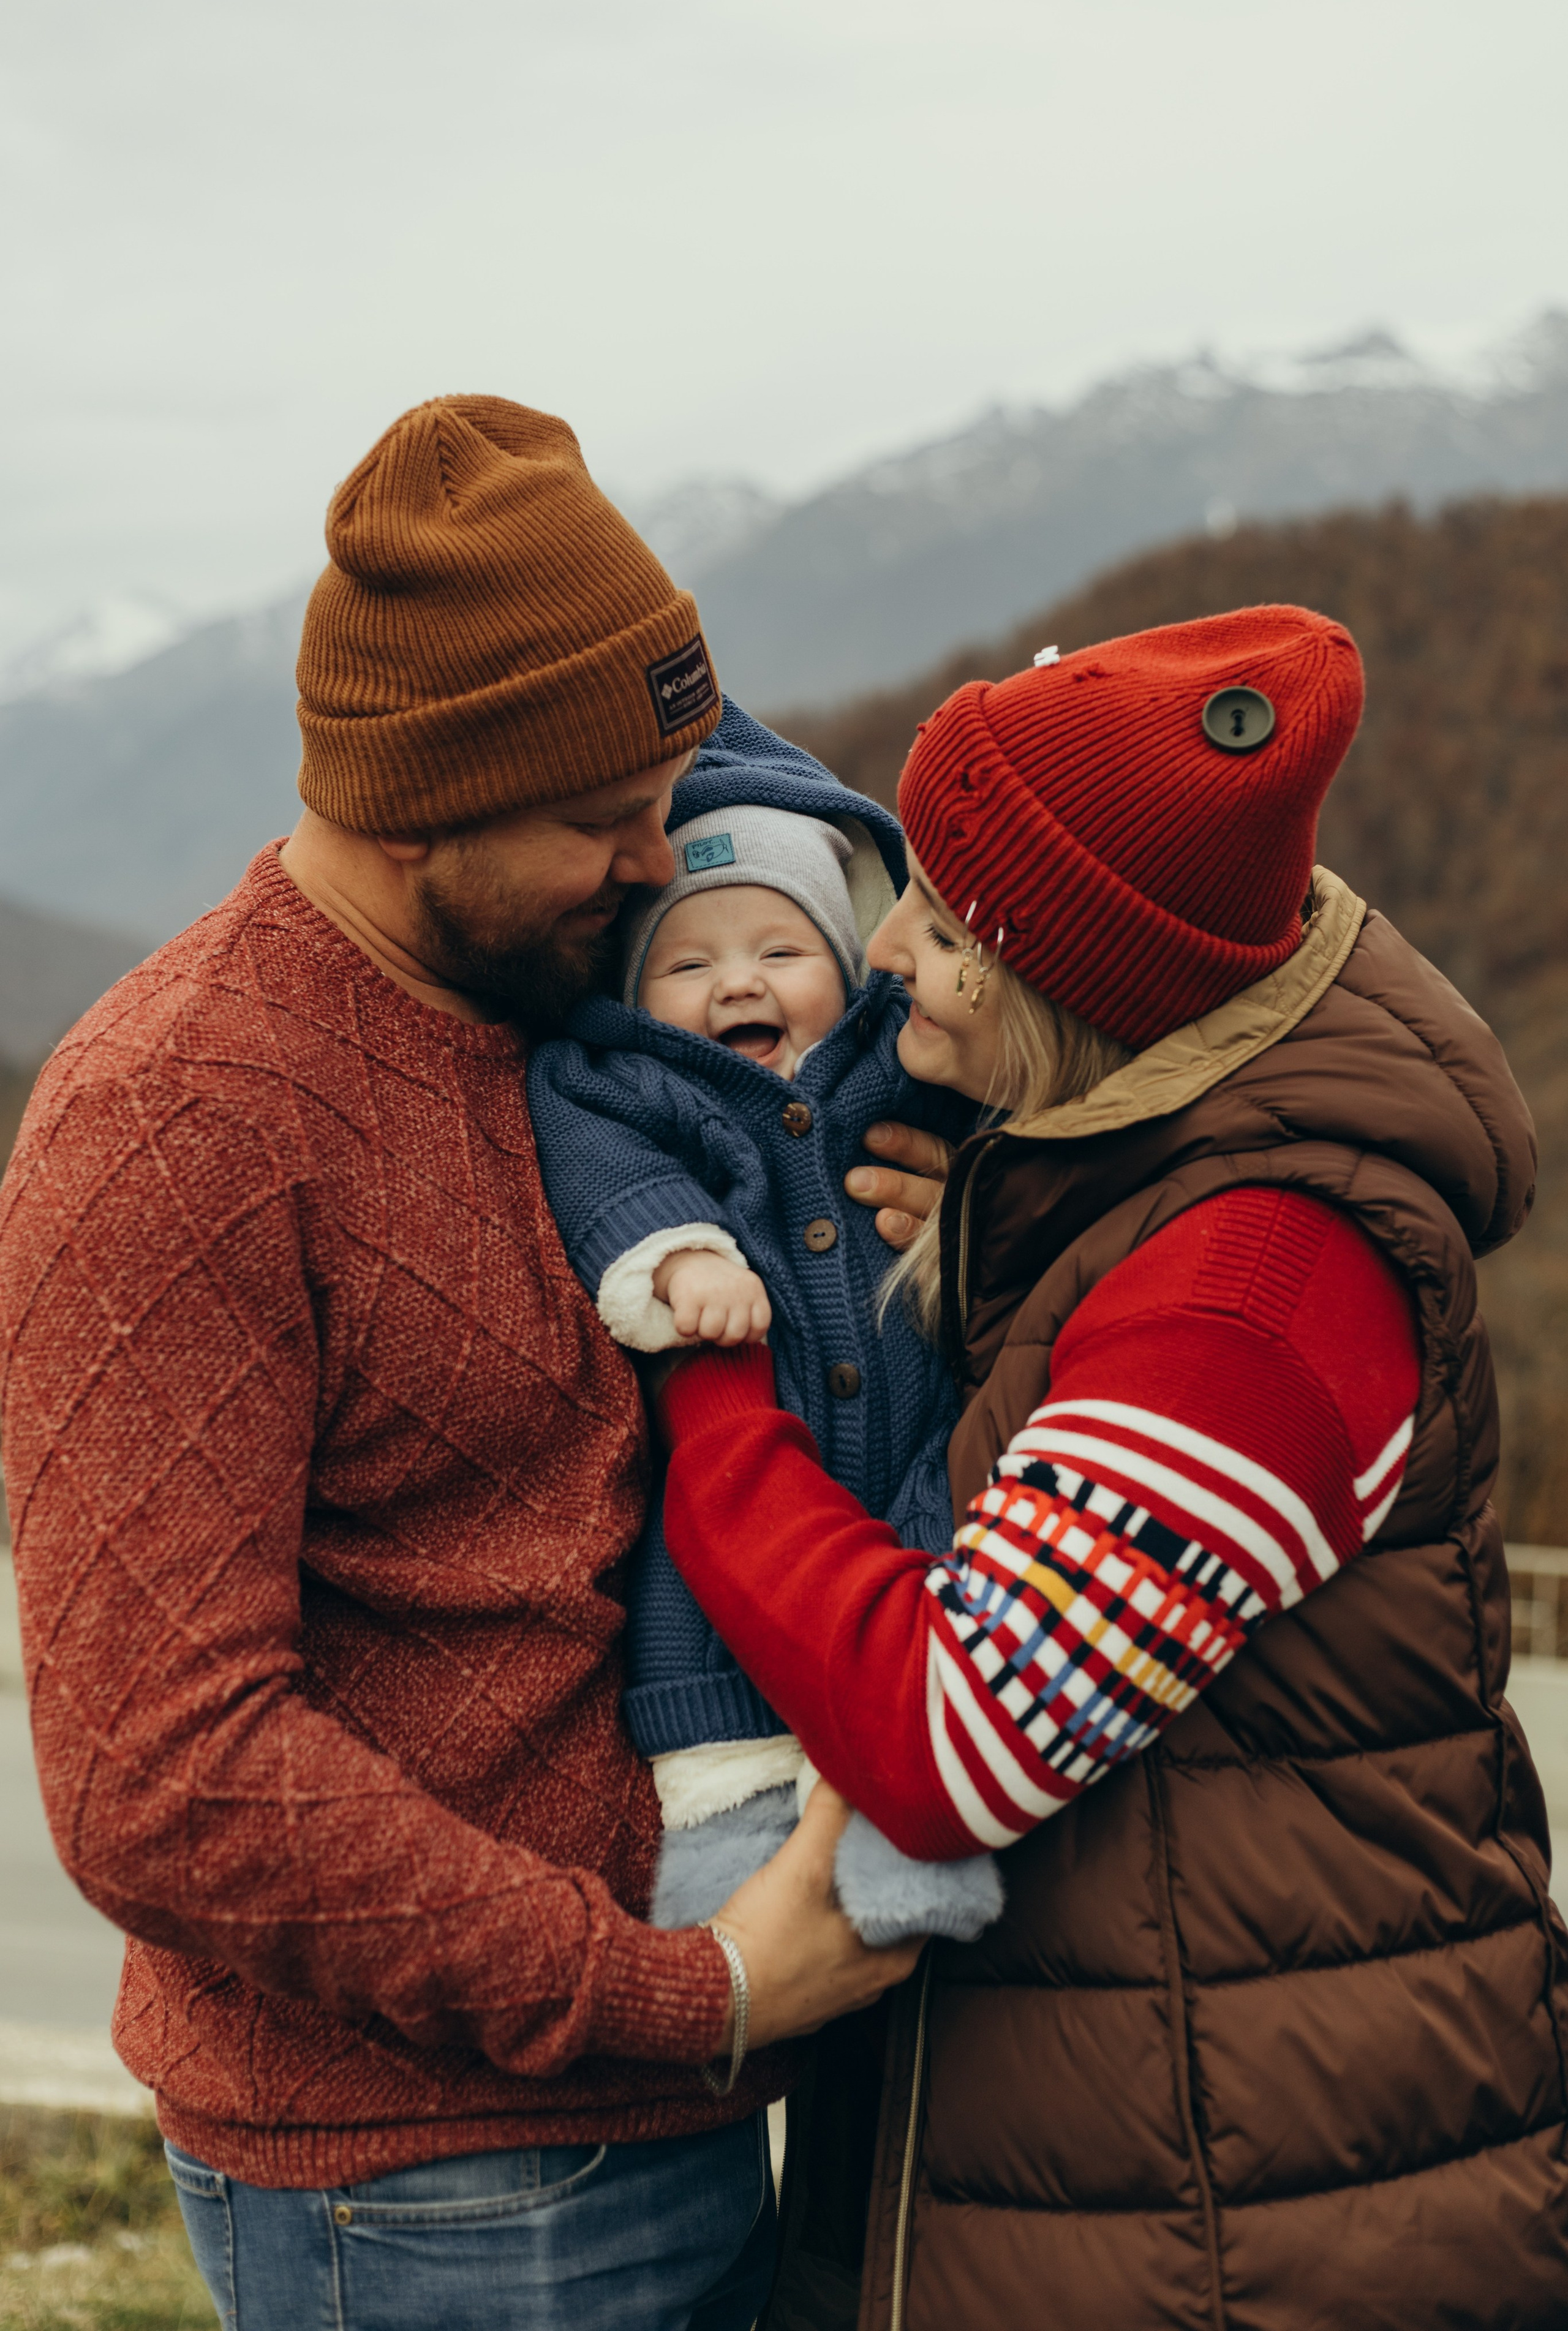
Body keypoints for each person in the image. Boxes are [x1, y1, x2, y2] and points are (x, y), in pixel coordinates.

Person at [0, 393, 918, 2331]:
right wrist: (693, 1993)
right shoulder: (177, 1119)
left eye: (661, 793)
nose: (652, 861)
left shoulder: (551, 987)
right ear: (419, 802)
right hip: (435, 2191)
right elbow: (167, 1780)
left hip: (670, 2106)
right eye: (603, 822)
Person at [654, 606, 1568, 2329]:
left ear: (1061, 977)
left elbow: (950, 1737)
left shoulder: (1256, 1298)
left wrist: (714, 1392)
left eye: (938, 919)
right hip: (1124, 2165)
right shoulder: (1135, 1174)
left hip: (1241, 2223)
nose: (890, 956)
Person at [526, 708, 1000, 1945]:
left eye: (779, 948)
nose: (737, 980)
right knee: (715, 1699)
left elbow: (1007, 1139)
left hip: (903, 1462)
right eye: (686, 965)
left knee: (930, 1599)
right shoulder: (631, 1081)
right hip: (732, 1536)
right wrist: (677, 1254)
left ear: (849, 968)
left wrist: (979, 1209)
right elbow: (595, 1160)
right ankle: (725, 1877)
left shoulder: (901, 1065)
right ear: (636, 995)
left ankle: (915, 1847)